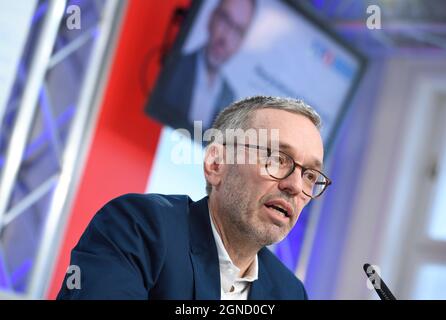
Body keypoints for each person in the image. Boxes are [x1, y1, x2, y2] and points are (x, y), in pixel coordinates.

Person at [57, 96, 332, 299]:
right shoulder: (140, 227)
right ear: (216, 163)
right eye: (277, 159)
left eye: (310, 175)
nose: (295, 185)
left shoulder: (290, 292)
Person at [146, 0, 256, 134]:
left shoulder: (230, 99)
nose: (226, 37)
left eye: (237, 30)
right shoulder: (176, 70)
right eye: (225, 19)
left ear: (241, 42)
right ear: (211, 17)